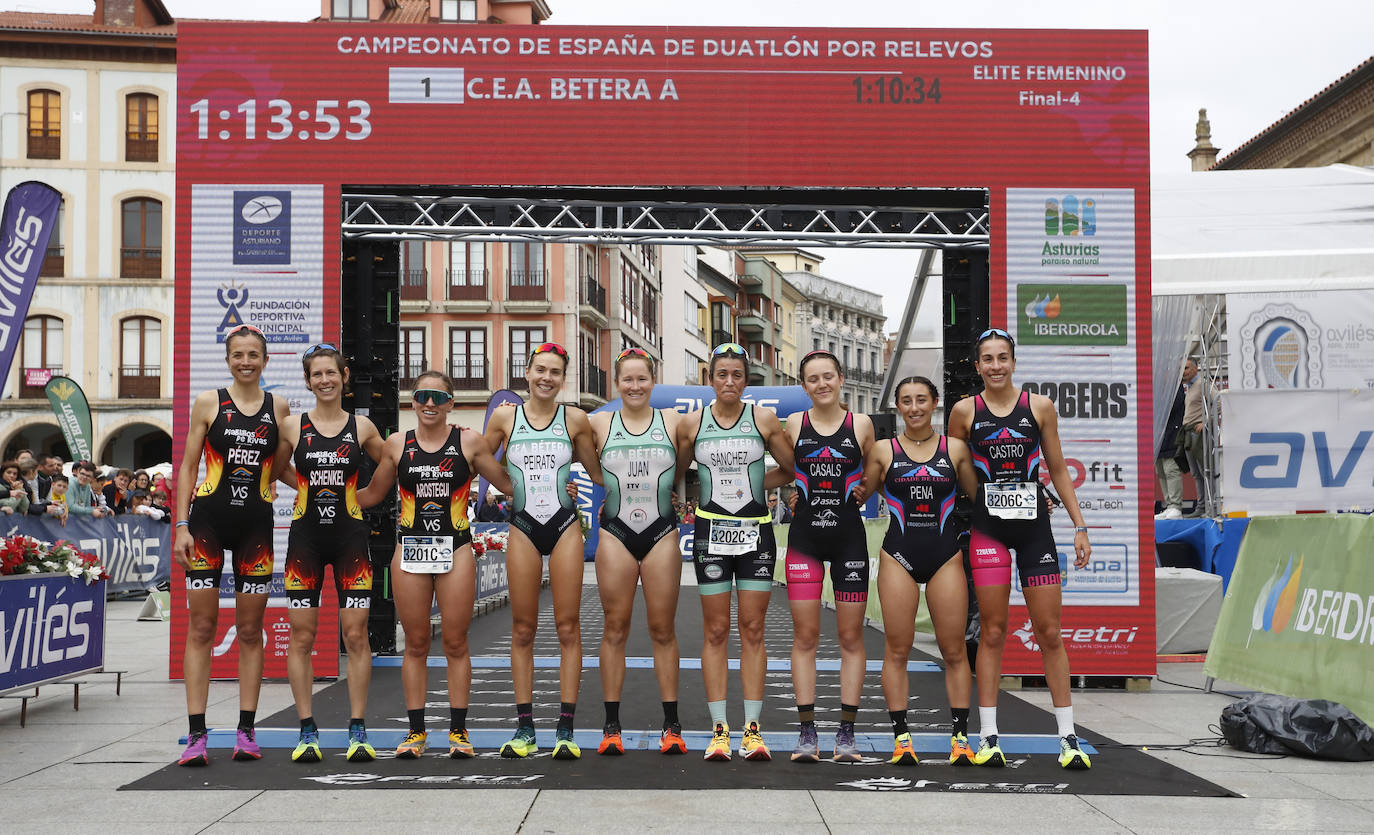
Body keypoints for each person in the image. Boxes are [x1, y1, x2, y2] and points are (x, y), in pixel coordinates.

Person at [948, 328, 1093, 770]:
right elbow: (954, 468)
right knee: (992, 630)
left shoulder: (1039, 407)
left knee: (1049, 632)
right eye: (987, 359)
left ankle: (1068, 737)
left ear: (1014, 362)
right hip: (989, 532)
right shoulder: (963, 411)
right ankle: (989, 736)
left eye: (1003, 358)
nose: (995, 366)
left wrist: (1080, 525)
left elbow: (1057, 470)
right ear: (977, 366)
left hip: (1035, 531)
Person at [355, 369, 512, 759]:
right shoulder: (396, 445)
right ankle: (415, 733)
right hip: (409, 550)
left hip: (456, 548)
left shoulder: (469, 442)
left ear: (450, 404)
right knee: (417, 644)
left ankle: (458, 732)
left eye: (438, 398)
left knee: (456, 642)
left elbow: (509, 484)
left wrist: (558, 485)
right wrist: (313, 487)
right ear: (413, 401)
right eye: (423, 396)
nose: (430, 403)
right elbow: (372, 494)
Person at [173, 323, 289, 766]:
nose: (245, 362)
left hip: (255, 531)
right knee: (201, 629)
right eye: (238, 355)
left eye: (253, 355)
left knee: (249, 631)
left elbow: (281, 464)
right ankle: (197, 734)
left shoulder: (279, 406)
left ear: (264, 360)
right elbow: (187, 468)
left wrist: (300, 488)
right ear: (228, 360)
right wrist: (181, 525)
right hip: (206, 526)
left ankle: (246, 731)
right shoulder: (208, 402)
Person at [483, 341, 603, 760]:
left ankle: (565, 729)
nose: (546, 378)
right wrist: (507, 487)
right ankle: (525, 728)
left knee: (568, 627)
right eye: (540, 370)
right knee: (522, 629)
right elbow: (483, 460)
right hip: (522, 527)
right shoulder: (505, 416)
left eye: (554, 372)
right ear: (527, 372)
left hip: (565, 526)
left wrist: (578, 488)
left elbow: (596, 470)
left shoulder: (575, 419)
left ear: (563, 378)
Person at [676, 342, 795, 762]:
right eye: (721, 374)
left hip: (755, 533)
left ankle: (753, 730)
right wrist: (682, 499)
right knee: (714, 631)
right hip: (712, 532)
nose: (729, 381)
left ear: (747, 380)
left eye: (737, 375)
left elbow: (790, 467)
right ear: (710, 379)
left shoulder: (762, 419)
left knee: (753, 629)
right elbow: (678, 472)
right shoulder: (692, 423)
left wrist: (754, 484)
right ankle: (719, 730)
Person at [272, 343, 385, 764]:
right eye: (316, 374)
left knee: (355, 634)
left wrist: (368, 496)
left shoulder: (363, 427)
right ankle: (307, 728)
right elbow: (276, 467)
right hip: (305, 540)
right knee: (302, 636)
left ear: (344, 377)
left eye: (331, 373)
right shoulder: (292, 426)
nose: (324, 380)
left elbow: (392, 464)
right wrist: (302, 489)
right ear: (308, 380)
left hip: (350, 539)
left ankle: (357, 727)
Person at [863, 376, 978, 766]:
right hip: (899, 553)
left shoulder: (956, 449)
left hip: (945, 555)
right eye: (906, 401)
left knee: (954, 650)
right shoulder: (882, 450)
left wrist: (1030, 502)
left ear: (935, 404)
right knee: (896, 648)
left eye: (921, 400)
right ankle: (901, 739)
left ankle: (961, 739)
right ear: (897, 406)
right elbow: (865, 489)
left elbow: (978, 497)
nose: (914, 408)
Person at [777, 350, 875, 763]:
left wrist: (866, 490)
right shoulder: (795, 424)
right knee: (806, 637)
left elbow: (876, 471)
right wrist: (786, 492)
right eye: (813, 379)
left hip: (849, 540)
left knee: (851, 638)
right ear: (804, 386)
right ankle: (807, 733)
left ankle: (847, 733)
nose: (821, 384)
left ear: (840, 379)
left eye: (828, 377)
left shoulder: (862, 424)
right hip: (806, 541)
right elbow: (786, 472)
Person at [589, 347, 688, 756]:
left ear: (653, 380)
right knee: (615, 628)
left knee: (663, 630)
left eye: (642, 379)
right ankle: (611, 726)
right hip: (615, 532)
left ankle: (672, 725)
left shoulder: (674, 421)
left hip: (662, 532)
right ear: (616, 383)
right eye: (627, 380)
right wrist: (589, 486)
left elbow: (685, 465)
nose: (634, 386)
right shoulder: (597, 423)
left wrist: (677, 494)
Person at [1180, 359, 1210, 516]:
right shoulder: (1191, 387)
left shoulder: (1202, 384)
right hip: (1189, 432)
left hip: (1196, 433)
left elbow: (1218, 402)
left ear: (1195, 368)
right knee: (1196, 473)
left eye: (1186, 368)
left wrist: (1205, 422)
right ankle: (1202, 506)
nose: (1183, 372)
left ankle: (1207, 506)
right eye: (1181, 369)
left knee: (1204, 471)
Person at [1155, 377, 1186, 520]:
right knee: (1160, 471)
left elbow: (1171, 407)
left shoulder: (1175, 387)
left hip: (1172, 436)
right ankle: (1169, 505)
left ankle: (1175, 505)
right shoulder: (1157, 389)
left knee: (1170, 470)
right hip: (1158, 437)